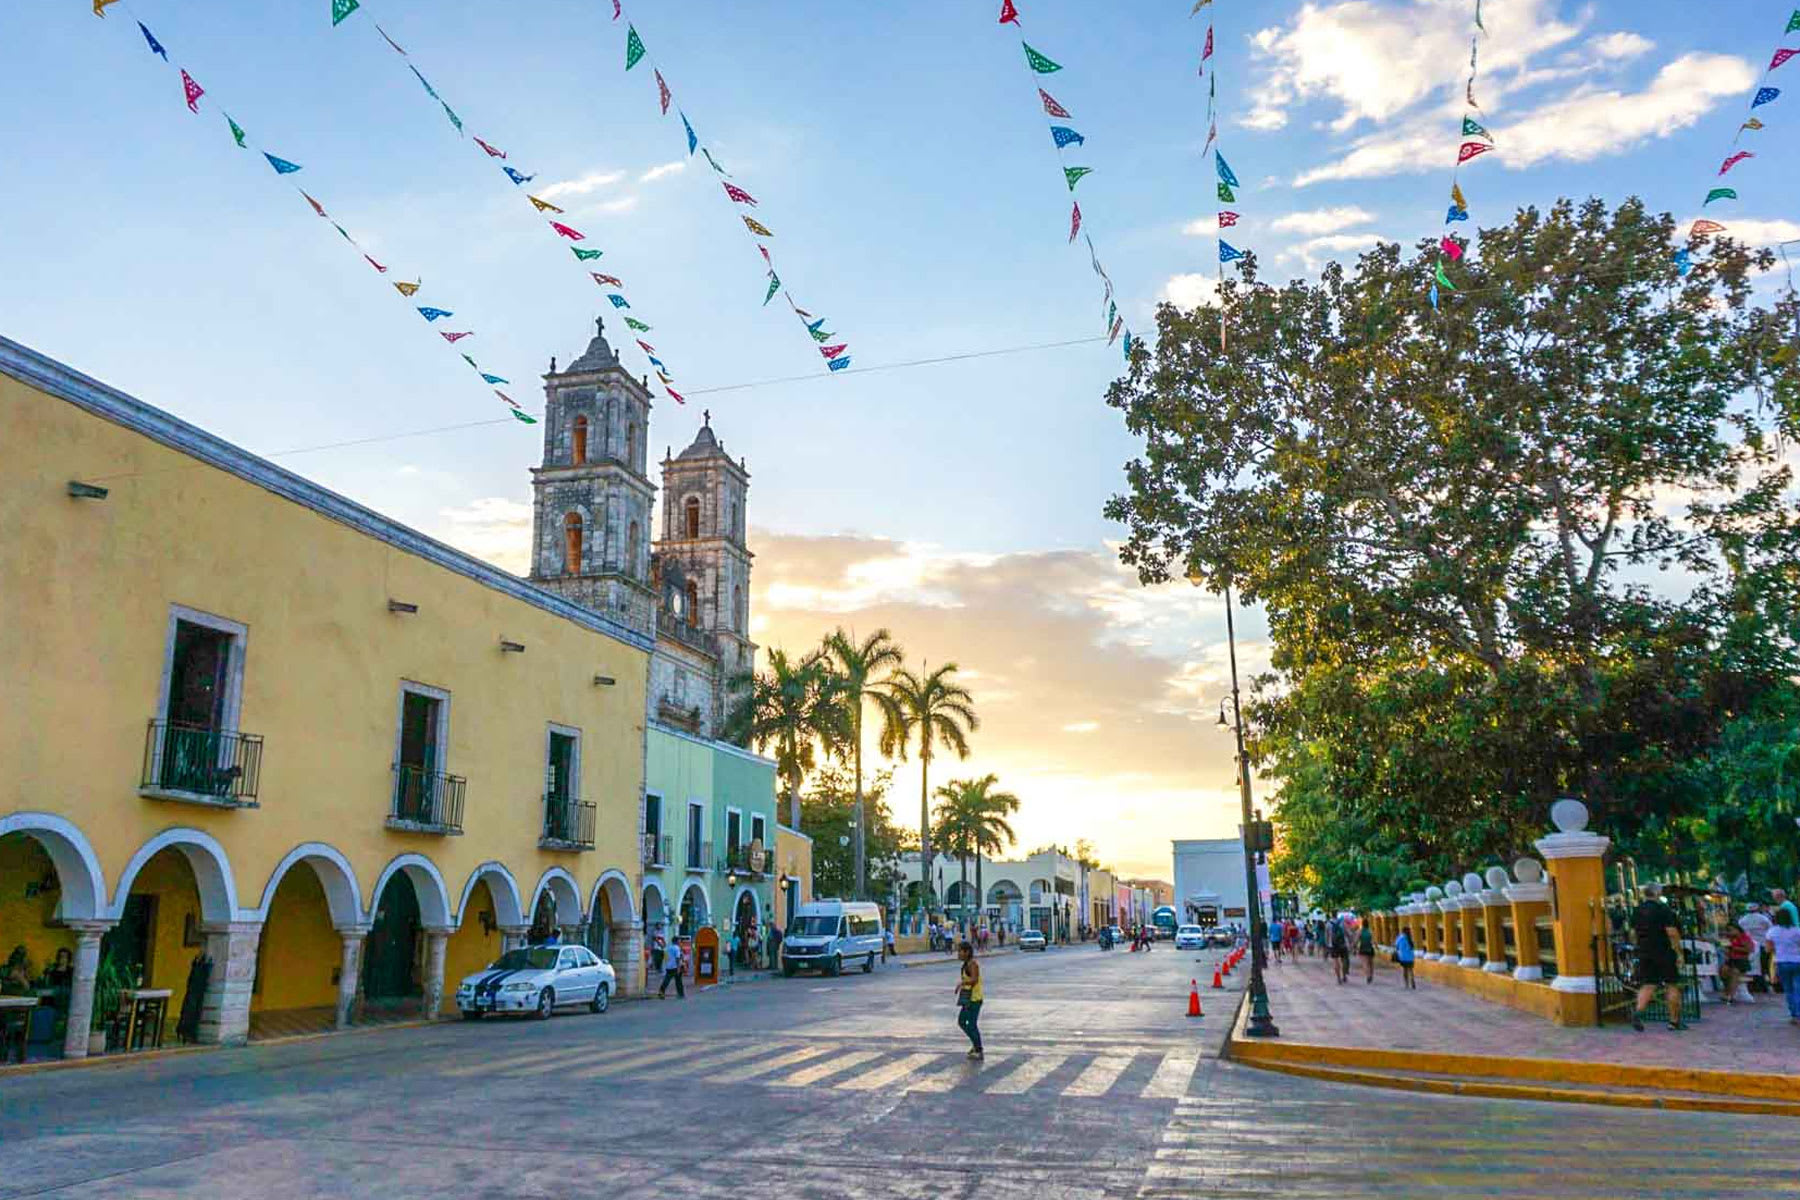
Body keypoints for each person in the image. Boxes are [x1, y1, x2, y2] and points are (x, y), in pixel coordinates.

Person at [1630, 882, 1685, 1031]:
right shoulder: (1663, 909)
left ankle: (1638, 1012)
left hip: (1645, 951)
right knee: (1671, 984)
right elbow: (1672, 932)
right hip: (1663, 950)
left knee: (1648, 983)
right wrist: (1679, 952)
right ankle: (1674, 1021)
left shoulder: (1637, 910)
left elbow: (1633, 934)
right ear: (1658, 893)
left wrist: (1639, 946)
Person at [1768, 907, 1800, 1025]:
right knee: (1798, 988)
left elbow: (1769, 948)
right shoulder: (1797, 930)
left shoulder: (1772, 931)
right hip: (1797, 961)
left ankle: (1794, 1014)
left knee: (1788, 990)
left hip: (1782, 961)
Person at [955, 940, 984, 1059]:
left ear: (967, 952)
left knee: (971, 1024)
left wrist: (962, 983)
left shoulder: (972, 964)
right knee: (962, 1022)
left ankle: (978, 1049)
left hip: (974, 999)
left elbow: (974, 979)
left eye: (960, 951)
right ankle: (976, 1045)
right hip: (968, 999)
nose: (958, 954)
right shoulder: (966, 964)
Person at [1721, 923, 1755, 1005]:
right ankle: (1727, 991)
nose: (1729, 932)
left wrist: (1734, 948)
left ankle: (1730, 995)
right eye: (1728, 930)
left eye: (1731, 930)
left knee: (1734, 973)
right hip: (1731, 959)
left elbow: (1749, 949)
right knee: (1723, 971)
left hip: (1741, 960)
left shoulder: (1744, 937)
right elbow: (1725, 948)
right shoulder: (1728, 938)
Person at [1328, 917, 1351, 984]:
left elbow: (1327, 935)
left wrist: (1327, 945)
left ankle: (1338, 978)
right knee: (1344, 960)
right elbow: (1347, 933)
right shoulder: (1342, 923)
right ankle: (1344, 976)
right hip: (1343, 945)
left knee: (1335, 961)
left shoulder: (1328, 924)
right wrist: (1350, 941)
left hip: (1333, 945)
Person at [1358, 919, 1376, 983]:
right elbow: (1374, 941)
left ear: (1362, 924)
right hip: (1370, 948)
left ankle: (1367, 976)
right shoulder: (1370, 931)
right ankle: (1371, 975)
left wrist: (1353, 947)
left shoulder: (1360, 931)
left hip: (1363, 948)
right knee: (1371, 963)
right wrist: (1376, 946)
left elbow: (1356, 940)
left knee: (1365, 964)